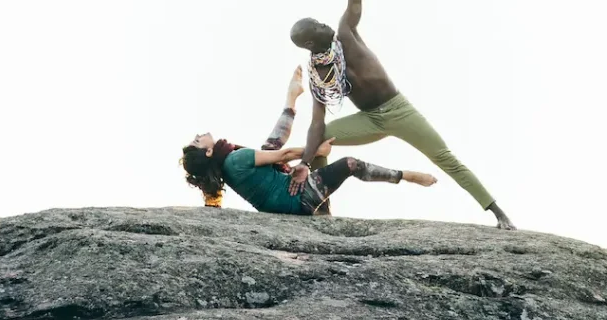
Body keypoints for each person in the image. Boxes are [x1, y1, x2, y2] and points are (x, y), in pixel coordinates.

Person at [289, 0, 516, 229]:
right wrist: (304, 161)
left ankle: (498, 212)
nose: (324, 23)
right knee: (321, 137)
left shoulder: (346, 33)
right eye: (316, 26)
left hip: (398, 109)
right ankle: (323, 207)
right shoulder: (317, 76)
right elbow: (316, 124)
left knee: (444, 157)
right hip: (369, 119)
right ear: (310, 42)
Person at [181, 67, 437, 215]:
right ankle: (406, 176)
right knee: (349, 163)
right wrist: (315, 150)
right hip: (298, 200)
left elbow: (274, 152)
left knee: (269, 148)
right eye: (197, 141)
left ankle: (291, 98)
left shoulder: (229, 166)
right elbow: (284, 155)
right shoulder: (236, 158)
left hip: (287, 201)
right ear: (208, 152)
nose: (199, 135)